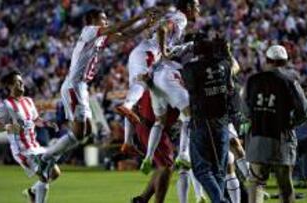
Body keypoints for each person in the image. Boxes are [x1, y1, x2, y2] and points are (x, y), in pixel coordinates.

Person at [38, 7, 158, 177]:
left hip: (82, 87)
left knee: (85, 133)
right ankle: (46, 158)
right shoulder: (89, 31)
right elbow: (116, 28)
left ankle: (49, 157)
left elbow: (125, 36)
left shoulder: (99, 38)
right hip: (74, 85)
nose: (106, 22)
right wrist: (138, 16)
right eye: (103, 19)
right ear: (93, 21)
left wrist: (145, 24)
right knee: (79, 132)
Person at [115, 0, 199, 165]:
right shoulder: (180, 18)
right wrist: (164, 51)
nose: (199, 10)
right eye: (196, 6)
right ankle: (127, 105)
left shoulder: (173, 17)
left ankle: (128, 141)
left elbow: (153, 31)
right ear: (188, 8)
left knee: (138, 90)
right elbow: (162, 29)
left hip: (140, 52)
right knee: (141, 83)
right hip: (148, 53)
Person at [243, 45, 307, 203]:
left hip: (258, 137)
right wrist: (292, 124)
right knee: (284, 185)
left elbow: (245, 110)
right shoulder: (290, 80)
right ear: (285, 61)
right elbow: (304, 109)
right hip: (281, 138)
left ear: (267, 60)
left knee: (256, 183)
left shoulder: (252, 80)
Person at [182, 35, 237, 203]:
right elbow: (231, 86)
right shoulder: (225, 65)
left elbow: (189, 87)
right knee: (219, 170)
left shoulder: (191, 68)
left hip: (201, 122)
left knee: (201, 170)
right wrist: (227, 51)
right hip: (221, 122)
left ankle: (220, 202)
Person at [0, 70, 61, 203]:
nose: (22, 83)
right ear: (10, 86)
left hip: (35, 146)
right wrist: (7, 127)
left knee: (55, 173)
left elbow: (35, 119)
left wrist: (47, 123)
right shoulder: (6, 105)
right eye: (18, 82)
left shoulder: (29, 101)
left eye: (21, 81)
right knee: (44, 175)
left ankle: (32, 191)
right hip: (22, 150)